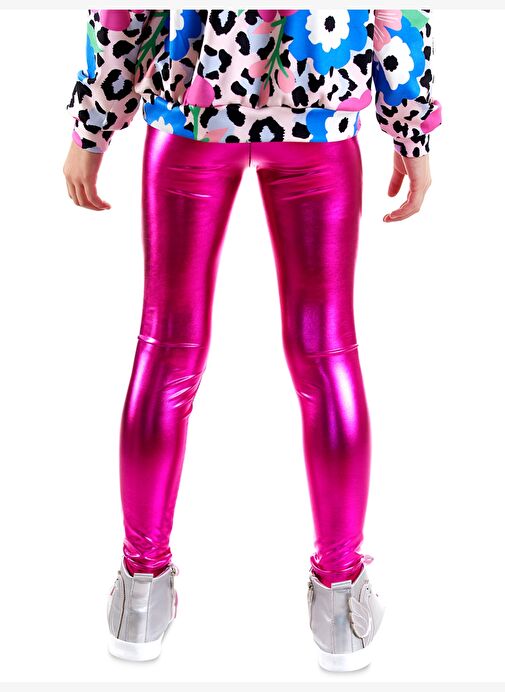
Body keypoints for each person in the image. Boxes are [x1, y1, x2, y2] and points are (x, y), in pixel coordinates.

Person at [63, 8, 442, 670]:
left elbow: (124, 13)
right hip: (318, 113)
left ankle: (139, 595)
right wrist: (411, 133)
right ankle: (341, 606)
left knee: (165, 347)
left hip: (190, 111)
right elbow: (396, 13)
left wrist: (91, 127)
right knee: (326, 353)